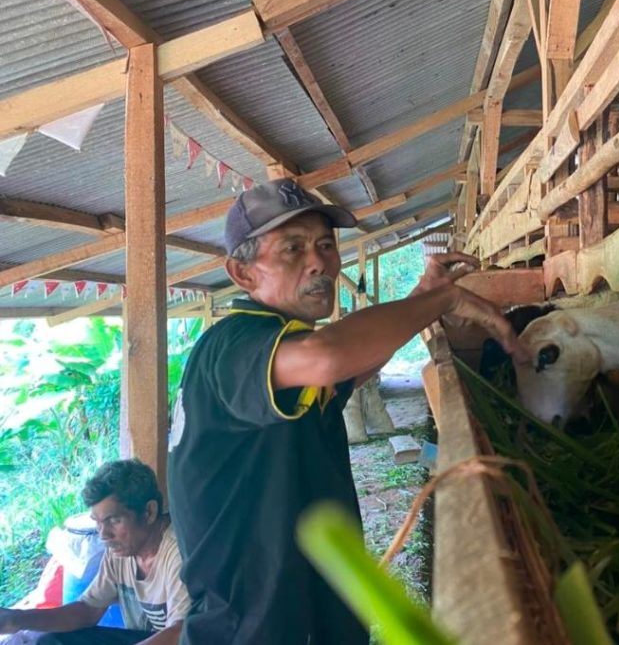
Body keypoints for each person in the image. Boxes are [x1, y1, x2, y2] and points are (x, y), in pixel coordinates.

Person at [167, 177, 521, 644]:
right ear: (243, 274)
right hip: (254, 626)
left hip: (307, 605)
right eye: (292, 248)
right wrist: (445, 299)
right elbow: (326, 356)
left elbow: (349, 368)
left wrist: (421, 296)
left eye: (325, 245)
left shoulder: (282, 346)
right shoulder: (233, 346)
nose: (319, 262)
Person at [0, 460, 189, 645]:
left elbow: (180, 633)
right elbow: (88, 610)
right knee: (50, 641)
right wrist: (17, 619)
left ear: (149, 512)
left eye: (114, 520)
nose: (104, 534)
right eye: (98, 522)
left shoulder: (179, 553)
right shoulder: (120, 550)